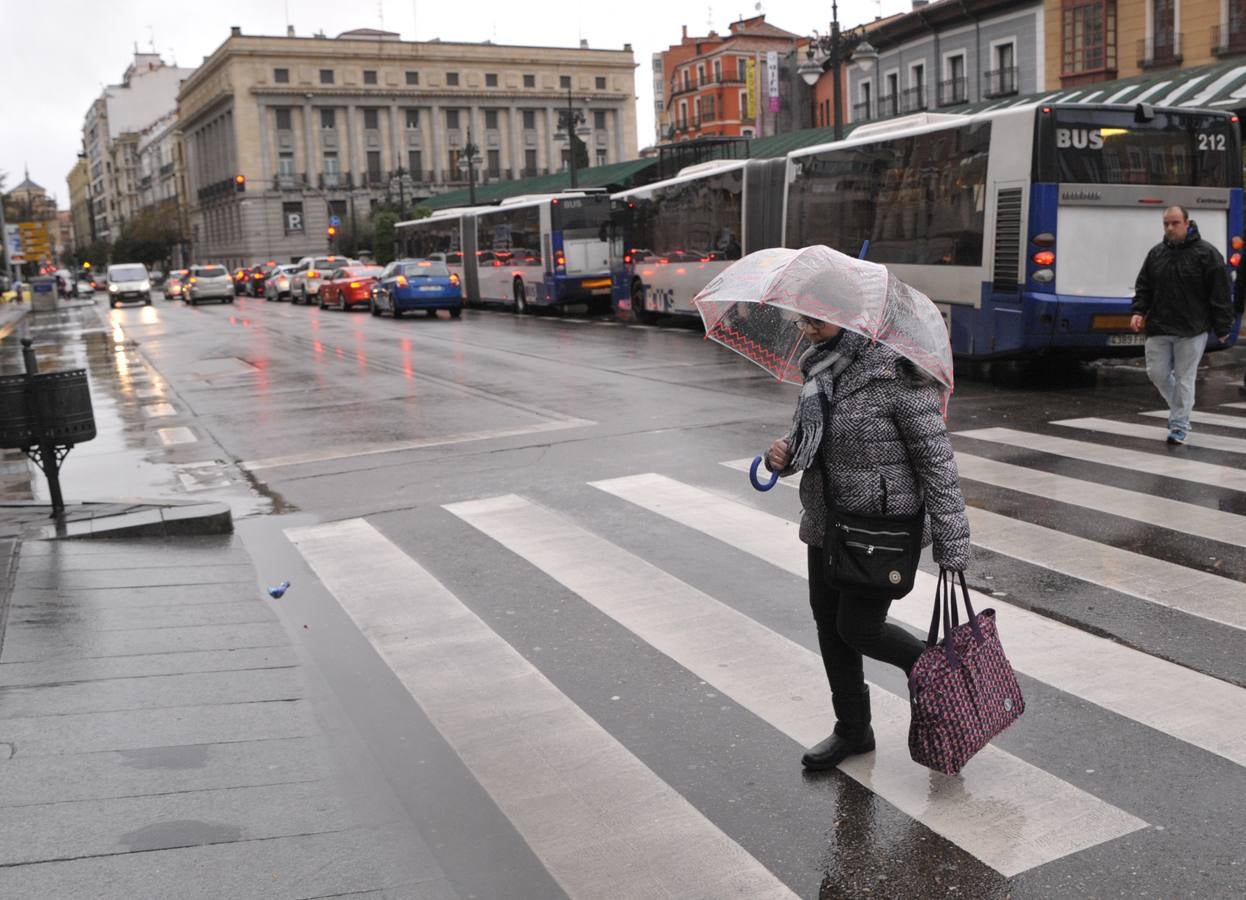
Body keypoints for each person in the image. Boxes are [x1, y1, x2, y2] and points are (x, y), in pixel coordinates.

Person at [765, 316, 970, 771]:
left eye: (817, 319)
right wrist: (780, 455)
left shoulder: (899, 373)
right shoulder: (819, 369)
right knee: (828, 625)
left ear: (846, 315)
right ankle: (853, 730)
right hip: (825, 524)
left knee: (859, 629)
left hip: (879, 530)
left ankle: (936, 671)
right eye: (803, 318)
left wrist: (953, 544)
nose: (808, 328)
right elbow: (808, 443)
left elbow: (937, 463)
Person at [1130, 206, 1234, 445]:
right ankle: (1180, 408)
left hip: (1192, 328)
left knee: (1185, 378)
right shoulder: (1156, 254)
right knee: (1156, 373)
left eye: (1175, 223)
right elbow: (1144, 285)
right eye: (1166, 223)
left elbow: (1219, 293)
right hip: (1159, 325)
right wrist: (1138, 311)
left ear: (1187, 223)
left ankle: (1179, 424)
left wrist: (1222, 327)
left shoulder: (1207, 254)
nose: (1169, 228)